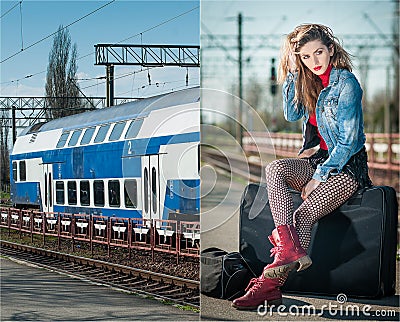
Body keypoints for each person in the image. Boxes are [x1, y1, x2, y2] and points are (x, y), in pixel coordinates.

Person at [232, 23, 372, 310]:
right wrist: (293, 73)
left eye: (319, 52)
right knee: (275, 169)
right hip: (316, 159)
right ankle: (287, 248)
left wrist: (318, 177)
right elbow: (290, 112)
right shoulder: (306, 79)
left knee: (302, 216)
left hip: (345, 167)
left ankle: (268, 286)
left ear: (331, 49)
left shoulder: (347, 84)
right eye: (306, 57)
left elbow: (348, 142)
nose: (315, 61)